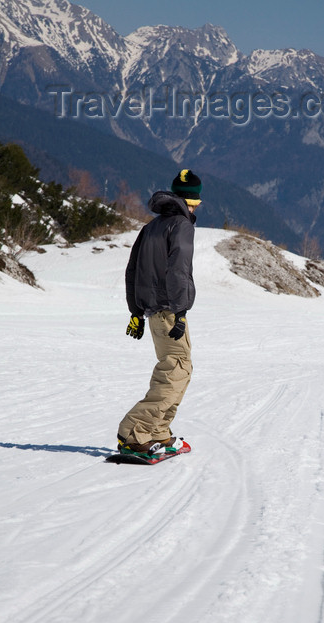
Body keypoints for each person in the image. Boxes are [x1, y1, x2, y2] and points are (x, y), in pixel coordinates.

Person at [116, 169, 202, 458]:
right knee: (176, 371)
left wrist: (136, 312)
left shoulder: (152, 226)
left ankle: (158, 431)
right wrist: (180, 311)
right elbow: (179, 270)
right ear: (190, 202)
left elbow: (132, 270)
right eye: (196, 203)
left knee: (178, 370)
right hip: (169, 310)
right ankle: (134, 431)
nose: (196, 208)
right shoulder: (181, 225)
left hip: (154, 312)